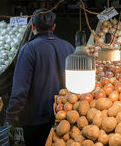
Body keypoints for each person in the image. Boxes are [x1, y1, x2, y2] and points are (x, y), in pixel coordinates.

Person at [6, 8, 75, 146]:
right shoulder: (69, 47)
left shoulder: (28, 49)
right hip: (63, 119)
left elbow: (20, 90)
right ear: (54, 27)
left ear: (32, 26)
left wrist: (10, 116)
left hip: (35, 122)